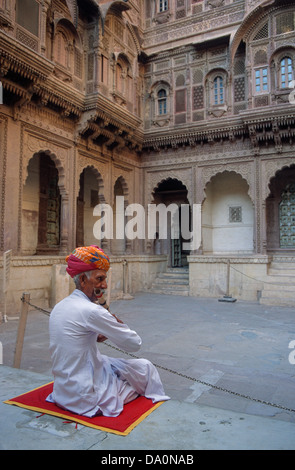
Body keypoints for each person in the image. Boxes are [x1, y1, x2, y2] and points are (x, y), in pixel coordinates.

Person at [46, 245, 170, 417]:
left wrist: (102, 330)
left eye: (104, 279)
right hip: (85, 397)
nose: (104, 285)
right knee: (145, 368)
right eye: (99, 279)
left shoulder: (60, 306)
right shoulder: (91, 311)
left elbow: (81, 336)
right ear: (82, 279)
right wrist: (117, 325)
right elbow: (134, 344)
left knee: (111, 364)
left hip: (63, 391)